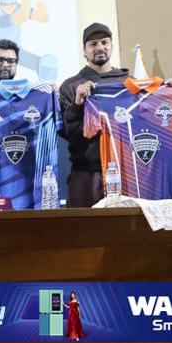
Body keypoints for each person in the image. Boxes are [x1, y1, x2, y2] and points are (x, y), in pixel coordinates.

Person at [58, 23, 131, 208]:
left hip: (126, 172)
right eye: (93, 44)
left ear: (112, 46)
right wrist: (77, 104)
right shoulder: (70, 86)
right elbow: (68, 133)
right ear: (84, 51)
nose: (100, 47)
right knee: (82, 226)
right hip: (86, 174)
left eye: (104, 42)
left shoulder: (131, 84)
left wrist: (167, 92)